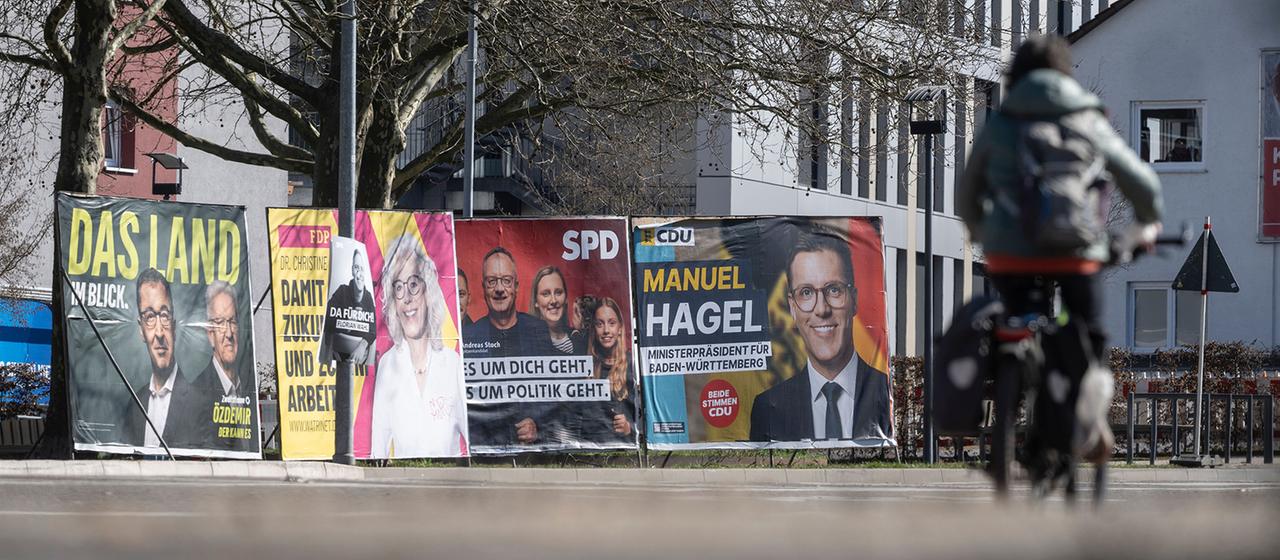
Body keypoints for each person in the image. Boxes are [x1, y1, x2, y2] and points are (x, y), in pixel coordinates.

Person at [957, 34, 1163, 365]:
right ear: (1065, 74)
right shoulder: (1089, 120)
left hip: (1010, 255)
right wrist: (1146, 224)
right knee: (1088, 333)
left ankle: (1004, 375)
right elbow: (1142, 182)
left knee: (1009, 321)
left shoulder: (1001, 123)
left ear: (1016, 76)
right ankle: (1083, 394)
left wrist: (982, 232)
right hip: (1076, 253)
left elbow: (966, 192)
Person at [748, 228, 891, 442]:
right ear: (792, 308)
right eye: (806, 293)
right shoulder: (767, 408)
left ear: (854, 300)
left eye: (833, 290)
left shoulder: (886, 392)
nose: (821, 309)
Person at [370, 236, 468, 458]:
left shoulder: (452, 364)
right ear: (393, 303)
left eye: (413, 284)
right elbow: (378, 450)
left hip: (449, 485)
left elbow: (473, 439)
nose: (407, 298)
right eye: (398, 287)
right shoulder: (388, 365)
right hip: (404, 486)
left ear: (428, 291)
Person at [462, 247, 558, 447]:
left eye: (506, 281)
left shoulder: (538, 330)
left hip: (529, 449)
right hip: (484, 445)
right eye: (492, 281)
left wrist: (536, 423)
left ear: (516, 286)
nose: (499, 289)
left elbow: (553, 387)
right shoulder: (469, 336)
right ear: (483, 287)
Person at [122, 268, 211, 449]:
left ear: (174, 326)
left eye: (164, 316)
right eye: (149, 317)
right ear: (141, 330)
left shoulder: (201, 404)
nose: (160, 333)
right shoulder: (134, 406)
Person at [198, 281, 258, 452]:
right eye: (220, 323)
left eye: (232, 322)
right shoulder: (197, 392)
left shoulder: (249, 388)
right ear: (210, 334)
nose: (229, 333)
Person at [587, 298, 635, 442]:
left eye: (612, 323)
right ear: (594, 330)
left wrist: (629, 428)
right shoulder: (586, 367)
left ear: (620, 328)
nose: (606, 330)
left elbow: (648, 415)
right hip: (592, 450)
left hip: (624, 452)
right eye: (600, 324)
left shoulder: (632, 365)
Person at [321, 247, 376, 365]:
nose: (359, 273)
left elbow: (373, 330)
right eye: (356, 268)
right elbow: (328, 320)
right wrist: (328, 350)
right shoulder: (342, 291)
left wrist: (362, 346)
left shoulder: (368, 298)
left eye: (362, 269)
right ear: (352, 271)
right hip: (336, 356)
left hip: (358, 361)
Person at [529, 266, 584, 354]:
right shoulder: (528, 342)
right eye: (546, 294)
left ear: (566, 298)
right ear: (536, 301)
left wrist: (581, 333)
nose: (553, 300)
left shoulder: (578, 337)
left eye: (558, 292)